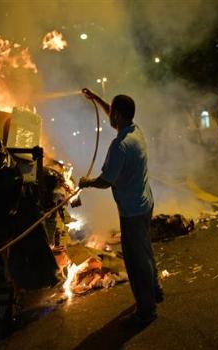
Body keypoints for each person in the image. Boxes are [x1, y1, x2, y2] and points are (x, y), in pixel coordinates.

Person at [78, 88, 163, 325]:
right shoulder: (136, 131)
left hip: (132, 210)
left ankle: (147, 310)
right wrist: (96, 98)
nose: (109, 115)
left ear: (117, 116)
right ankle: (155, 290)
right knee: (145, 251)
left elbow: (106, 181)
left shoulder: (120, 146)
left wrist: (87, 182)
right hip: (145, 203)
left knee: (136, 261)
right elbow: (114, 113)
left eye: (111, 112)